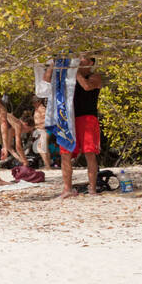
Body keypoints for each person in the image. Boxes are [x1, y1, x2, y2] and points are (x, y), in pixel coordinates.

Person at [57, 56, 104, 198]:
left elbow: (87, 86)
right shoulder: (69, 77)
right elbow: (47, 81)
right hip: (69, 118)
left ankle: (92, 188)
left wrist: (74, 71)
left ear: (90, 62)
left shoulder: (95, 77)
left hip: (88, 118)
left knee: (90, 153)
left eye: (82, 59)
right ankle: (67, 189)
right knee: (65, 153)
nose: (78, 60)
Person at [31, 97, 52, 169]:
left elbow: (47, 120)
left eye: (34, 102)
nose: (33, 104)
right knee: (44, 147)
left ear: (39, 101)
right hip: (40, 130)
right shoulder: (37, 109)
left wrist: (39, 126)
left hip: (43, 129)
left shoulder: (42, 109)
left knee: (40, 147)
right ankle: (47, 164)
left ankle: (47, 165)